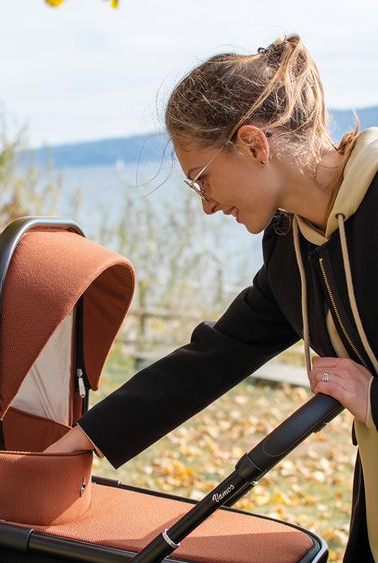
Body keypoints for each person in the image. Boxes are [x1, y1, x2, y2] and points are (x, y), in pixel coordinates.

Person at [45, 35, 378, 561]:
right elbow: (219, 353)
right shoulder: (290, 247)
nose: (205, 206)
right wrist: (81, 438)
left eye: (202, 179)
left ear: (253, 144)